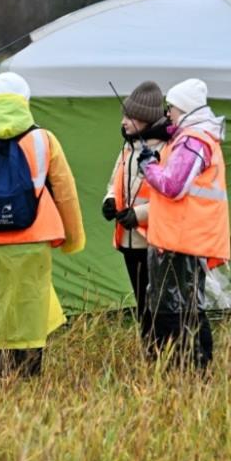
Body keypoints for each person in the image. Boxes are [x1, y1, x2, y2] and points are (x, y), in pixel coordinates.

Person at [0, 72, 84, 379]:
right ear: (26, 101)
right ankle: (29, 373)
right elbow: (65, 191)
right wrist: (73, 238)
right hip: (34, 237)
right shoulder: (44, 140)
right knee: (31, 302)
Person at [139, 78, 229, 370]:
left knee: (179, 310)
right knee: (183, 307)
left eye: (172, 109)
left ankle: (189, 368)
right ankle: (187, 368)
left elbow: (173, 185)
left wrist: (148, 166)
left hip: (182, 240)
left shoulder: (193, 140)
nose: (169, 115)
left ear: (185, 109)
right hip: (182, 237)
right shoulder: (196, 136)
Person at [101, 81, 169, 353]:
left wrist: (138, 215)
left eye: (129, 117)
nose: (124, 122)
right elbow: (114, 182)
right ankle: (150, 351)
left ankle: (162, 353)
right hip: (129, 241)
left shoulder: (165, 151)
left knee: (157, 304)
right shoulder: (128, 149)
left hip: (152, 242)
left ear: (146, 120)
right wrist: (109, 201)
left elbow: (169, 199)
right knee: (143, 304)